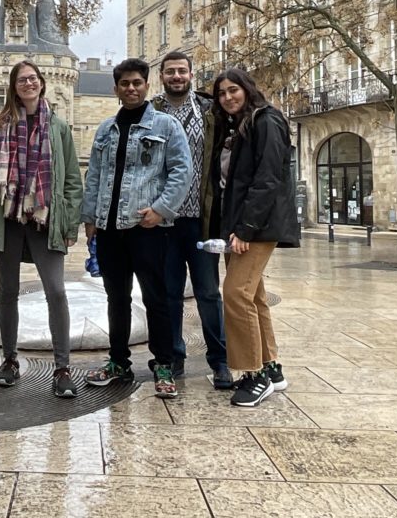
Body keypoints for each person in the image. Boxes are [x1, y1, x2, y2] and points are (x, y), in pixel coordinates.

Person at [81, 58, 192, 399]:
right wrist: (90, 218)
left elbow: (181, 171)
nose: (131, 88)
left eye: (137, 83)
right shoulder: (105, 129)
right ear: (116, 89)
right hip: (111, 228)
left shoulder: (166, 126)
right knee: (117, 299)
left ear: (147, 86)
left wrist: (160, 210)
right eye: (125, 83)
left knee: (156, 298)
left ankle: (163, 363)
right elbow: (96, 175)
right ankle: (118, 361)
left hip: (147, 227)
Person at [0, 60, 83, 399]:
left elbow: (71, 180)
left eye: (33, 78)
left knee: (56, 291)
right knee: (7, 292)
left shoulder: (59, 127)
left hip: (45, 220)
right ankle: (10, 360)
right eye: (22, 79)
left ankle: (62, 367)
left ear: (42, 82)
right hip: (8, 220)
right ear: (13, 86)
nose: (28, 84)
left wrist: (69, 224)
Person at [210, 66, 300, 407]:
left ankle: (253, 374)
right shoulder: (241, 126)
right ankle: (271, 367)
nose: (228, 97)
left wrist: (246, 228)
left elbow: (267, 178)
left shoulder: (267, 121)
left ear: (247, 89)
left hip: (256, 226)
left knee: (234, 294)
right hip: (240, 225)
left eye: (233, 90)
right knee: (254, 296)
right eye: (222, 93)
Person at [152, 51, 231, 388]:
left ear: (191, 74)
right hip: (164, 221)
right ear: (162, 76)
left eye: (182, 71)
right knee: (168, 293)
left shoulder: (209, 110)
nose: (177, 77)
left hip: (201, 219)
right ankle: (173, 358)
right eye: (170, 72)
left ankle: (220, 361)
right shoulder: (151, 111)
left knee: (208, 292)